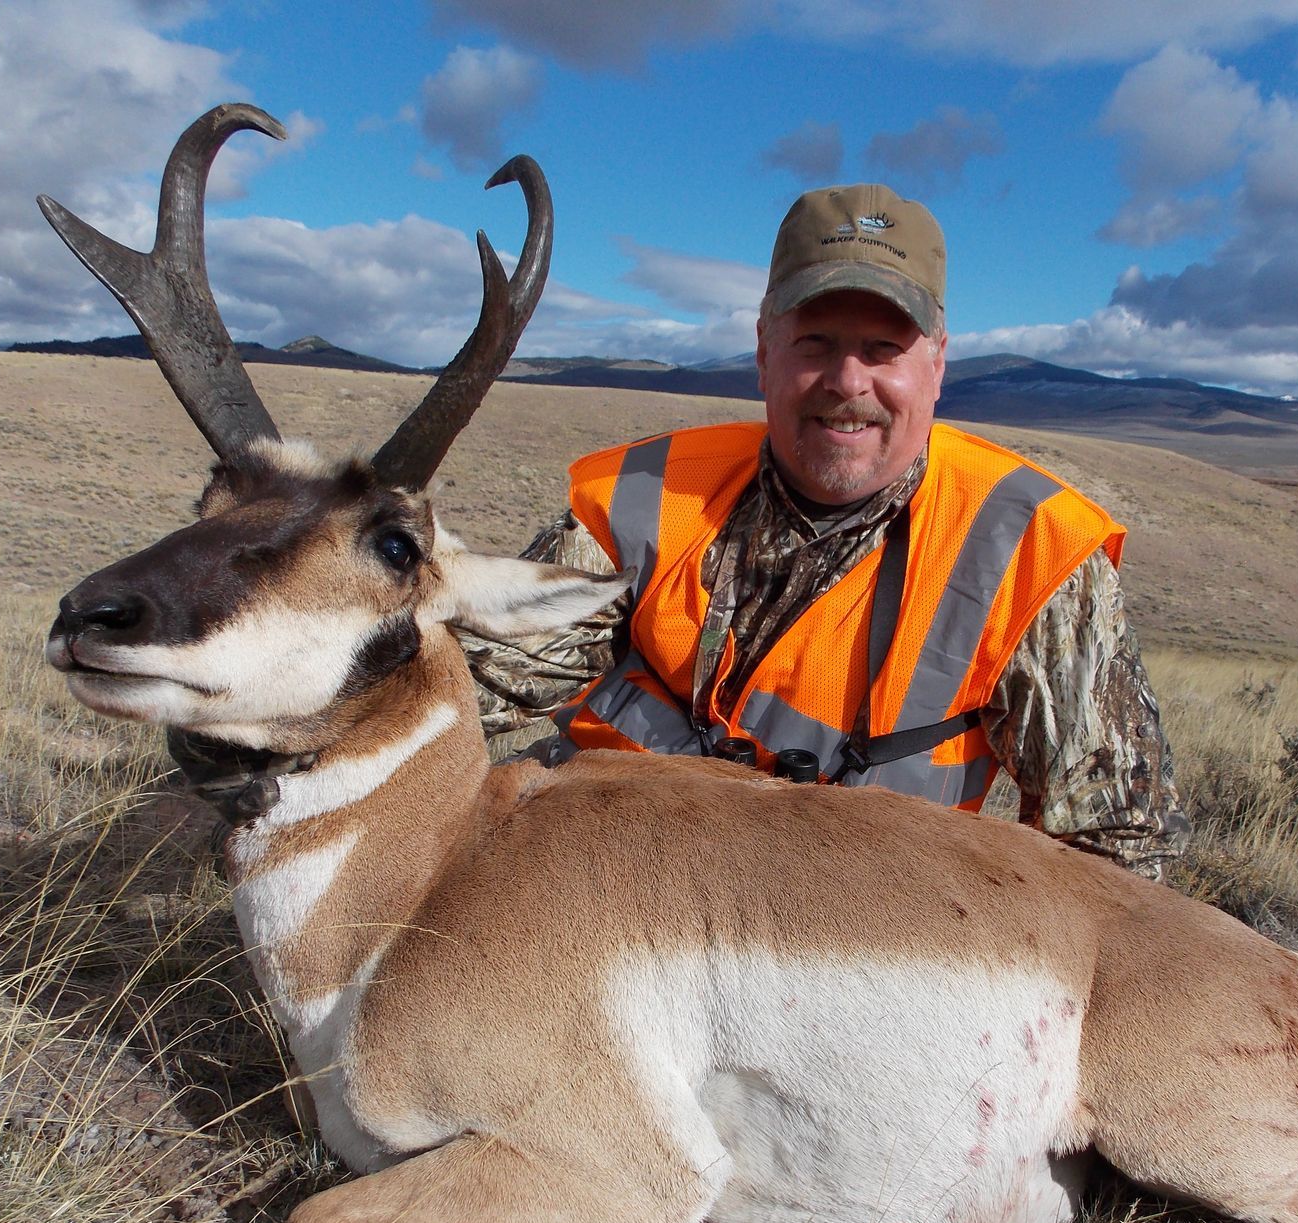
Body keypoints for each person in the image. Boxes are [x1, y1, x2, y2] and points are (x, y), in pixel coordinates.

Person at [462, 182, 1188, 882]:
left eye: (883, 348)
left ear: (937, 364)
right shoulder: (641, 505)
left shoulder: (1032, 555)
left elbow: (1121, 857)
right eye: (814, 342)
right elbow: (462, 689)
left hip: (865, 935)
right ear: (763, 351)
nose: (847, 379)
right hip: (597, 888)